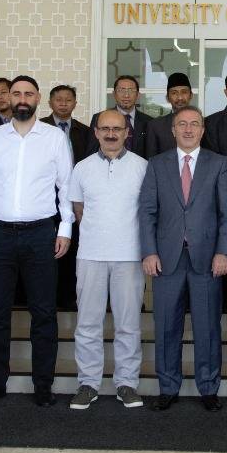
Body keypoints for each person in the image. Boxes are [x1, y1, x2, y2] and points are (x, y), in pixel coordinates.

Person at [0, 75, 73, 407]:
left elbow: (66, 187)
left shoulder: (54, 138)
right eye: (16, 93)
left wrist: (65, 228)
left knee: (44, 313)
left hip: (41, 234)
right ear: (9, 99)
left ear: (38, 98)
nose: (22, 99)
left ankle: (43, 385)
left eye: (28, 93)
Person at [139, 106, 227, 411]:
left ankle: (208, 387)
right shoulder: (157, 164)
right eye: (182, 124)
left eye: (194, 124)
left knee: (208, 327)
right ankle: (168, 386)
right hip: (166, 259)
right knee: (166, 326)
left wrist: (223, 252)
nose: (189, 129)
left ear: (203, 130)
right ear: (173, 130)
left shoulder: (218, 163)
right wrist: (149, 251)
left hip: (207, 259)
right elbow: (147, 212)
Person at [66, 109, 149, 410]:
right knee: (88, 323)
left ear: (127, 132)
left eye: (117, 128)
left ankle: (127, 383)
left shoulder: (142, 167)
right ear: (96, 132)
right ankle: (88, 383)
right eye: (105, 129)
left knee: (128, 324)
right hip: (91, 255)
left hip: (130, 256)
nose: (111, 134)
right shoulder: (82, 168)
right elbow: (78, 210)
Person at [45, 83, 95, 310]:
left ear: (75, 103)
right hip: (46, 199)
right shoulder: (40, 129)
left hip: (77, 200)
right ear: (50, 103)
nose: (63, 104)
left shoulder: (85, 131)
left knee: (72, 246)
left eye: (68, 100)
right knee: (46, 249)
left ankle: (68, 297)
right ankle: (48, 296)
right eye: (59, 100)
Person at [92, 74, 151, 156]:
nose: (126, 95)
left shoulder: (149, 122)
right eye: (121, 90)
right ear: (114, 94)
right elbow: (92, 151)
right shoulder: (99, 118)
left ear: (138, 95)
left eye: (131, 90)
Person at [144, 71, 195, 157]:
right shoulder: (156, 126)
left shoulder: (203, 124)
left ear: (191, 95)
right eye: (174, 93)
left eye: (184, 92)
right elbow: (151, 160)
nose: (180, 97)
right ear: (167, 98)